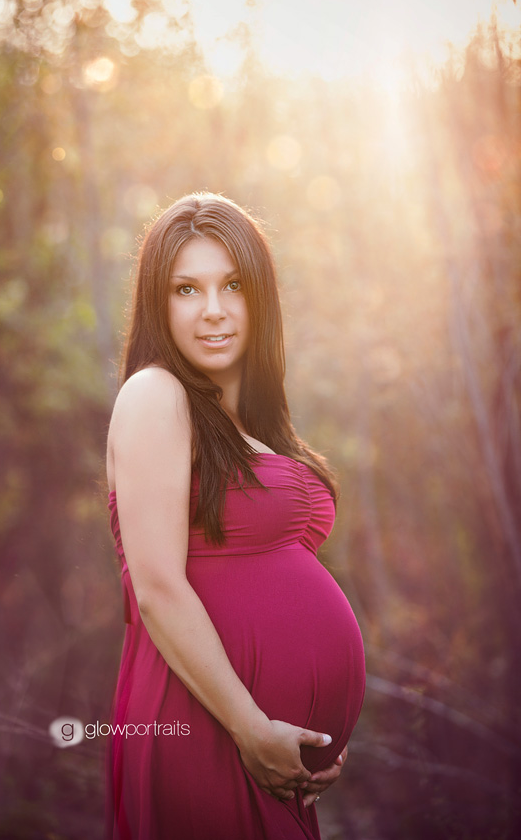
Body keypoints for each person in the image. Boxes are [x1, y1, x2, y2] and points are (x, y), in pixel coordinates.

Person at [105, 192, 365, 840]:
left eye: (233, 285)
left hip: (265, 746)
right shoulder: (154, 394)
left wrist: (315, 740)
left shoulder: (250, 424)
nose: (214, 311)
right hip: (203, 723)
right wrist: (251, 729)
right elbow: (159, 588)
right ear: (158, 305)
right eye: (187, 289)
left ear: (261, 298)